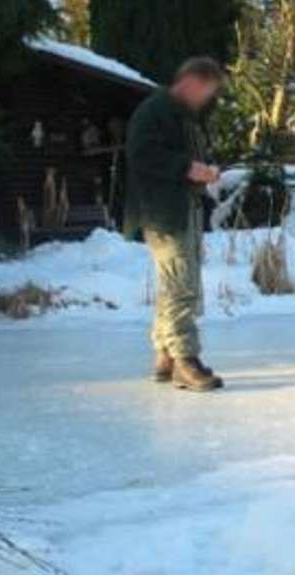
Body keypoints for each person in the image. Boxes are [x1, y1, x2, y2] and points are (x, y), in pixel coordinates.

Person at [124, 57, 224, 392]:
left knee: (174, 285)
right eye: (207, 92)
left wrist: (204, 171)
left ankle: (166, 354)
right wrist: (188, 168)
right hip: (164, 214)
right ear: (193, 82)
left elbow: (186, 160)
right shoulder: (155, 111)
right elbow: (141, 154)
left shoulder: (184, 117)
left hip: (184, 209)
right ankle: (185, 360)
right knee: (182, 286)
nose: (207, 100)